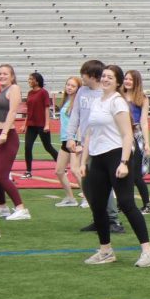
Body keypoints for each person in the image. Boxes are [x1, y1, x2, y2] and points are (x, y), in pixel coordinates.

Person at [78, 65, 150, 267]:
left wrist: (123, 162)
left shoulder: (118, 102)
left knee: (127, 203)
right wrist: (84, 160)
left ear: (118, 82)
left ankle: (148, 251)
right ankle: (105, 250)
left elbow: (127, 134)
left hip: (117, 155)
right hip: (98, 157)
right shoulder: (97, 101)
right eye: (104, 76)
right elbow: (89, 133)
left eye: (110, 77)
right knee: (98, 205)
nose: (105, 79)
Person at [69, 59, 121, 234]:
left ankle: (113, 219)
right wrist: (71, 137)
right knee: (87, 183)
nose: (82, 77)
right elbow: (75, 114)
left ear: (92, 75)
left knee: (102, 183)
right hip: (85, 143)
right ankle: (98, 217)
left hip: (102, 145)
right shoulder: (82, 91)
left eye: (84, 73)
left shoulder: (104, 94)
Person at [0, 64, 29, 221]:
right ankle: (2, 206)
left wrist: (4, 132)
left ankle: (21, 208)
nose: (2, 76)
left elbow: (12, 111)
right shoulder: (0, 92)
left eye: (5, 74)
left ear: (12, 76)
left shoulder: (14, 89)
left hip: (6, 135)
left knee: (1, 175)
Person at [120, 69, 150, 214]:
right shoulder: (118, 96)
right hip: (120, 135)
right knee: (122, 172)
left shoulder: (142, 98)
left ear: (136, 82)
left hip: (136, 134)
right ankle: (124, 204)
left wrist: (146, 142)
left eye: (131, 79)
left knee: (136, 175)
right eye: (126, 78)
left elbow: (144, 122)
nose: (127, 81)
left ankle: (147, 205)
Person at [53, 76, 84, 208]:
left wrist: (78, 142)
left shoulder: (78, 102)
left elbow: (81, 123)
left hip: (74, 140)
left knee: (75, 170)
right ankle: (70, 198)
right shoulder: (66, 101)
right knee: (59, 171)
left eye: (73, 86)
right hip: (65, 140)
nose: (69, 87)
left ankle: (89, 197)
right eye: (68, 85)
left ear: (78, 88)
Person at [21, 72, 58, 180]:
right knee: (27, 147)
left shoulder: (43, 93)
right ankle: (28, 171)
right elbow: (28, 111)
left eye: (31, 79)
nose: (29, 80)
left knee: (48, 147)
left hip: (42, 124)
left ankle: (61, 165)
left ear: (37, 81)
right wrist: (24, 125)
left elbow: (46, 108)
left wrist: (47, 124)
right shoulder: (29, 93)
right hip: (31, 125)